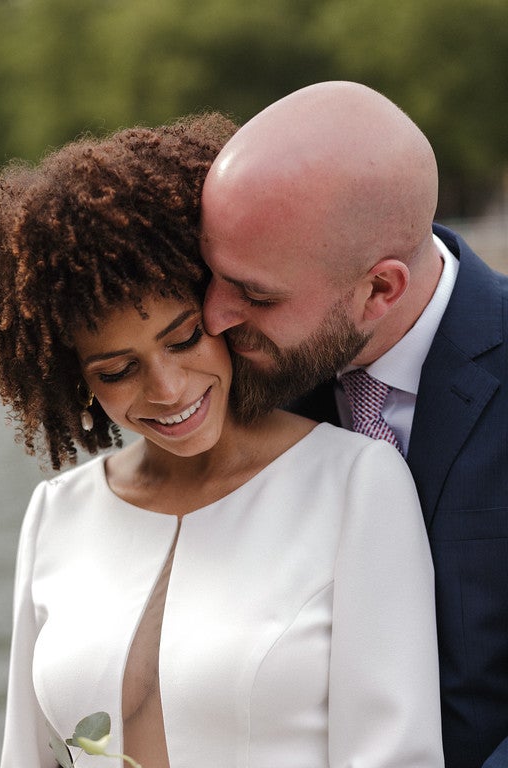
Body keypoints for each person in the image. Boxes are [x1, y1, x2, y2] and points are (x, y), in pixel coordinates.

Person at [0, 116, 444, 768]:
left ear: (221, 304)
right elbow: (26, 755)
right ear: (76, 381)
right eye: (118, 371)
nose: (170, 388)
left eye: (184, 338)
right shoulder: (55, 515)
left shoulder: (356, 484)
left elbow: (394, 755)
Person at [200, 80, 508, 768]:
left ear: (380, 290)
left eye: (254, 295)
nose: (214, 317)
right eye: (209, 275)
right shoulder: (233, 381)